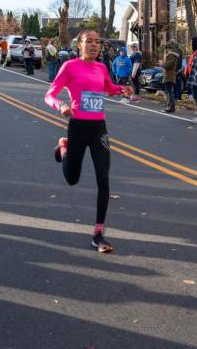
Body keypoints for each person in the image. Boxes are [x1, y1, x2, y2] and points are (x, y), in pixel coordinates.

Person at [44, 29, 133, 253]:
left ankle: (98, 234)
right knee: (72, 178)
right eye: (89, 41)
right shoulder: (69, 66)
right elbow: (49, 94)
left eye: (97, 42)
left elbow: (109, 88)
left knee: (103, 177)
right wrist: (61, 105)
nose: (94, 45)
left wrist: (122, 89)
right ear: (79, 46)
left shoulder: (101, 67)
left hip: (98, 128)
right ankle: (64, 147)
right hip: (77, 126)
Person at [159, 40, 178, 113]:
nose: (166, 50)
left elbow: (168, 66)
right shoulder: (171, 55)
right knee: (169, 92)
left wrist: (162, 64)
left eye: (167, 48)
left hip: (169, 76)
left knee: (169, 93)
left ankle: (170, 107)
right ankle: (170, 107)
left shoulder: (171, 56)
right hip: (168, 76)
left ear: (169, 48)